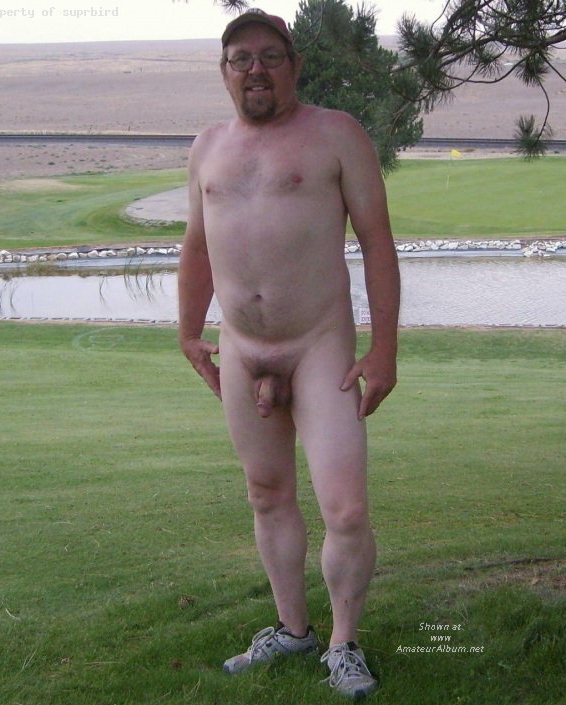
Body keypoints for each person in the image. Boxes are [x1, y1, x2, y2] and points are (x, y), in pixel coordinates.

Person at [178, 9, 400, 699]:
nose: (256, 69)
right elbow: (196, 247)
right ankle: (293, 629)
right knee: (267, 494)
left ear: (295, 66)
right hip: (242, 350)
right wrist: (188, 333)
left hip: (319, 346)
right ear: (224, 72)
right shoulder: (207, 148)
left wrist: (384, 347)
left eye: (270, 56)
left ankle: (344, 643)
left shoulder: (338, 134)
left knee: (346, 508)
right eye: (240, 58)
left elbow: (376, 239)